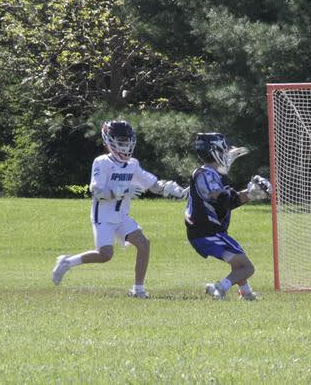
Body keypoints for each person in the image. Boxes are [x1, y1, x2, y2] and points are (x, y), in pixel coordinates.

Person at [51, 120, 187, 298]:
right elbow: (97, 191)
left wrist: (168, 189)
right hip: (103, 216)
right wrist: (121, 191)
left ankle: (138, 289)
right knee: (105, 255)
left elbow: (151, 184)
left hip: (121, 215)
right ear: (109, 141)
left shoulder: (132, 164)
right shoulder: (102, 162)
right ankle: (68, 262)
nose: (125, 145)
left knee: (143, 244)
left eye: (127, 141)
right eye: (121, 141)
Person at [184, 132, 271, 301]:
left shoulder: (212, 174)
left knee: (238, 264)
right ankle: (220, 287)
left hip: (207, 232)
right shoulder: (205, 174)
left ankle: (246, 293)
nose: (226, 153)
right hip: (207, 233)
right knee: (247, 268)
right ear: (215, 151)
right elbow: (225, 201)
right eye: (223, 150)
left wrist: (249, 194)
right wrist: (249, 194)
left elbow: (227, 199)